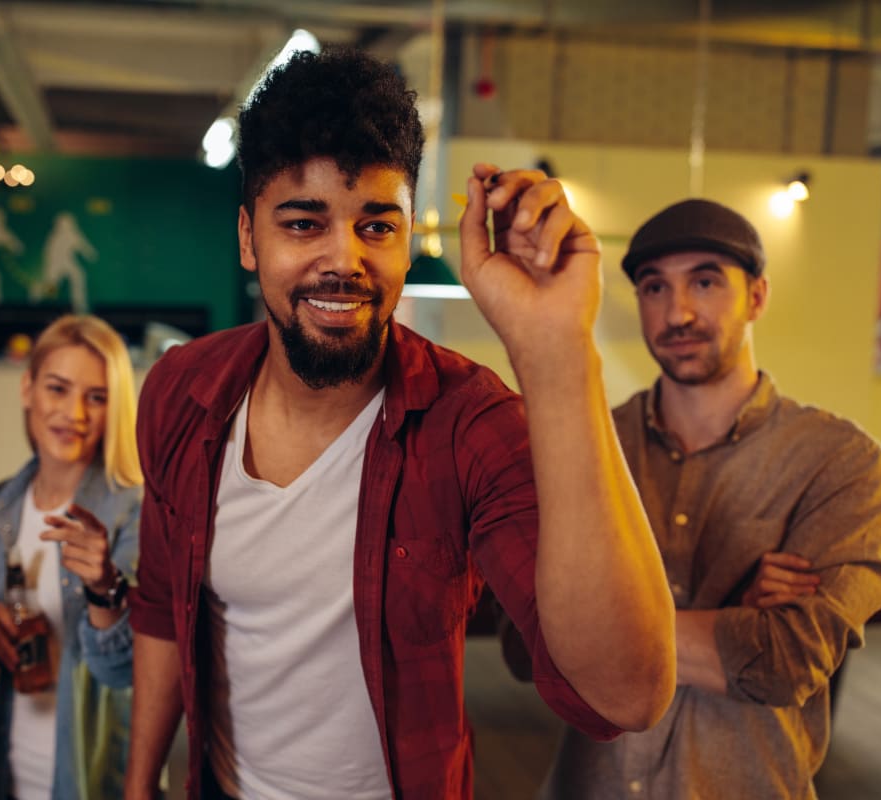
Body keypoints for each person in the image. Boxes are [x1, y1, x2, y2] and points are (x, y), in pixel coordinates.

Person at [124, 48, 675, 800]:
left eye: (377, 226)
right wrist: (139, 785)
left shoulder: (469, 427)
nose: (343, 259)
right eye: (304, 222)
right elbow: (162, 604)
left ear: (410, 236)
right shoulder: (182, 393)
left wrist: (557, 349)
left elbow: (627, 694)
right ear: (249, 238)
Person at [512, 198, 881, 798]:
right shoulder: (581, 447)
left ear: (757, 297)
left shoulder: (843, 463)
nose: (678, 312)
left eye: (705, 281)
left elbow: (785, 661)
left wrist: (587, 620)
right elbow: (522, 645)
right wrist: (734, 622)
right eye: (654, 287)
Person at [0, 314, 144, 800]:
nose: (74, 413)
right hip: (4, 768)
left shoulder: (137, 511)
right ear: (27, 389)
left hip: (92, 776)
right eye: (57, 389)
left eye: (97, 397)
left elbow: (125, 671)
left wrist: (104, 589)